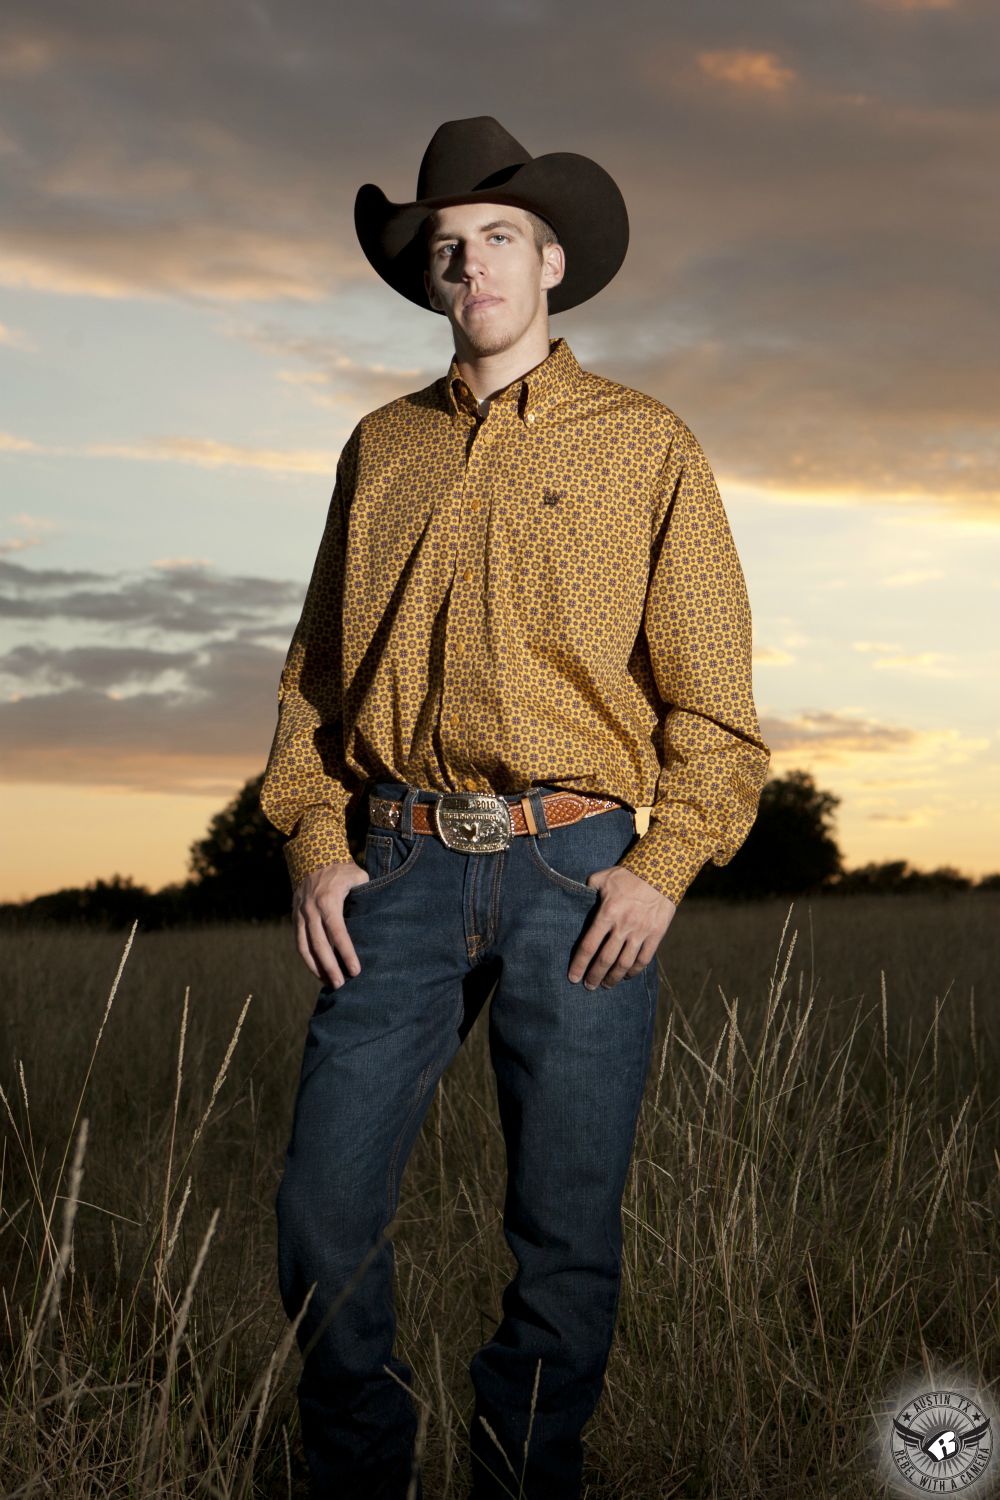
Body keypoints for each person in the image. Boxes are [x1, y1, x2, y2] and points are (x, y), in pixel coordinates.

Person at [260, 115, 771, 1500]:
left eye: (495, 238)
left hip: (580, 873)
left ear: (550, 260)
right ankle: (361, 1469)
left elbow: (712, 702)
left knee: (563, 1230)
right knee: (321, 1209)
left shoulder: (647, 445)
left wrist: (660, 868)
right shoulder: (382, 450)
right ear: (429, 278)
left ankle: (526, 1476)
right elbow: (313, 677)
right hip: (399, 867)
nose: (469, 263)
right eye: (446, 246)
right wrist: (317, 849)